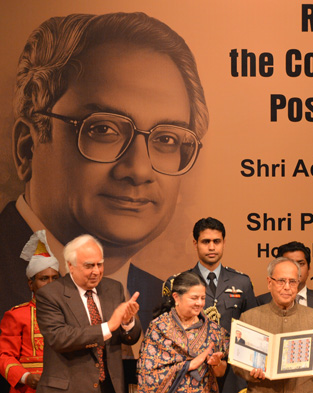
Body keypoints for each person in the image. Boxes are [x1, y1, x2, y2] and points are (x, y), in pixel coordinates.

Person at [0, 11, 209, 330]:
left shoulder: (161, 301)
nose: (138, 170)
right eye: (104, 130)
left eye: (166, 138)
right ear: (27, 147)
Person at [35, 234, 141, 393]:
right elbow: (59, 337)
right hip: (70, 388)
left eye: (100, 264)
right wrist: (108, 326)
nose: (96, 271)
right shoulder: (50, 294)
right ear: (71, 266)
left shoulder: (113, 288)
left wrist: (127, 322)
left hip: (110, 386)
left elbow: (130, 338)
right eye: (89, 266)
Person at [233, 257, 313, 392]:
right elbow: (237, 365)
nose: (287, 287)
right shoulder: (249, 318)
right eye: (281, 281)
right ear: (269, 283)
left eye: (292, 282)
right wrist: (251, 373)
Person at [188, 217, 257, 393]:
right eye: (206, 241)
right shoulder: (181, 283)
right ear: (195, 243)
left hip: (234, 375)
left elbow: (253, 332)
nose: (212, 247)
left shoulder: (242, 282)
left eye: (216, 241)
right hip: (193, 375)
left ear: (224, 243)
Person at [138, 272, 228, 393]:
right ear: (176, 297)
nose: (200, 303)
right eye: (194, 298)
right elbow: (147, 376)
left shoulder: (214, 330)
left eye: (203, 298)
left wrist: (216, 364)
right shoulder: (159, 327)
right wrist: (188, 366)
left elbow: (220, 373)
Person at [0, 231, 59, 393]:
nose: (50, 283)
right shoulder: (17, 315)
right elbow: (4, 355)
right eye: (44, 278)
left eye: (55, 278)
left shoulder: (69, 313)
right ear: (30, 284)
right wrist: (26, 377)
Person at [256, 241, 313, 307]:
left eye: (301, 264)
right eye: (289, 264)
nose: (296, 269)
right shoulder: (260, 302)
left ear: (309, 269)